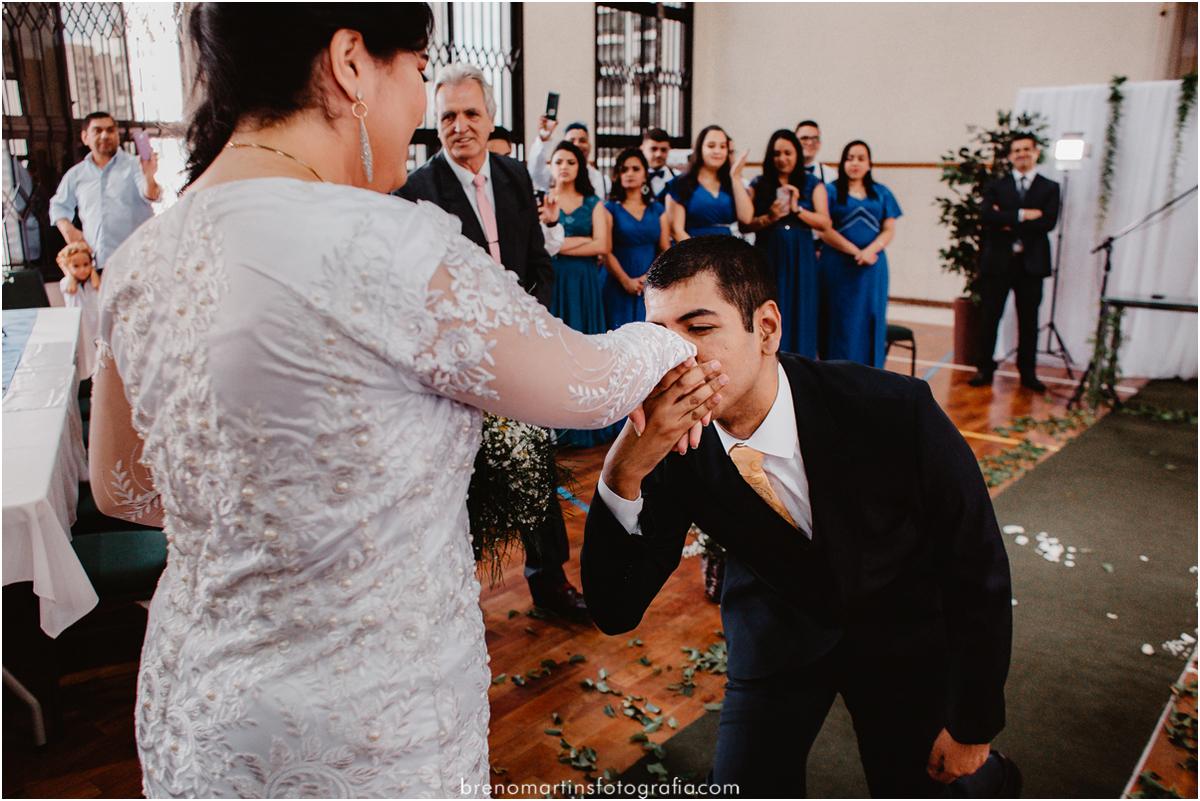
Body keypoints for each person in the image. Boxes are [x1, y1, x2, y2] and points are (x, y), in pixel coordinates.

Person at [89, 6, 704, 796]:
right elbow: (587, 385)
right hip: (364, 719)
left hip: (199, 702)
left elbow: (124, 487)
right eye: (418, 71)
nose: (420, 105)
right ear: (350, 61)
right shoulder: (383, 243)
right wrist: (675, 341)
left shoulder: (136, 263)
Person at [581, 235, 1018, 799]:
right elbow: (615, 610)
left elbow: (976, 567)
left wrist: (973, 725)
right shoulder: (673, 447)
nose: (677, 359)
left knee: (932, 784)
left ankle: (995, 777)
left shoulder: (894, 411)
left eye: (699, 328)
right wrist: (621, 474)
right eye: (662, 337)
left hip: (901, 636)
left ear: (766, 328)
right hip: (778, 631)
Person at [397, 64, 591, 621]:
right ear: (436, 125)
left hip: (521, 354)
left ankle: (549, 585)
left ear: (491, 118)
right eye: (448, 117)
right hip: (456, 367)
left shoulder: (512, 177)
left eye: (470, 114)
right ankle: (448, 602)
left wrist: (529, 322)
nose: (460, 126)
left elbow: (537, 261)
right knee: (454, 483)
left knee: (532, 467)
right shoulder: (417, 191)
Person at [968, 133, 1061, 392]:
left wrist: (1007, 220)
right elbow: (987, 216)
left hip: (1031, 264)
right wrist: (1023, 214)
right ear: (1010, 156)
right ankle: (985, 367)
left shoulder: (1049, 187)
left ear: (1035, 153)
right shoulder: (997, 186)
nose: (1021, 153)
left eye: (1026, 149)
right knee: (990, 317)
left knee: (1029, 321)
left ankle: (1028, 372)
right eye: (1016, 150)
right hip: (998, 262)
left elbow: (1048, 221)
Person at [547, 140, 615, 447]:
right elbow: (539, 245)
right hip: (554, 280)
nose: (564, 167)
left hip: (585, 283)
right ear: (550, 165)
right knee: (555, 349)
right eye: (558, 161)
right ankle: (556, 423)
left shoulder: (593, 203)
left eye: (570, 162)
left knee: (584, 348)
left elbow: (602, 245)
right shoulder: (543, 201)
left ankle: (586, 422)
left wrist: (558, 243)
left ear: (580, 166)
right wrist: (580, 241)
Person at [741, 129, 830, 359]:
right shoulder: (759, 184)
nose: (782, 158)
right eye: (776, 153)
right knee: (770, 306)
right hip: (769, 251)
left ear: (797, 154)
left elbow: (825, 223)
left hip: (801, 254)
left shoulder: (812, 183)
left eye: (788, 153)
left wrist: (798, 208)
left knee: (802, 309)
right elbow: (745, 224)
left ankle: (801, 366)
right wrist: (768, 217)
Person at [817, 140, 901, 368]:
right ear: (842, 162)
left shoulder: (882, 193)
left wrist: (870, 251)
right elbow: (823, 229)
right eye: (850, 158)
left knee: (871, 320)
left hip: (872, 268)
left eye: (861, 158)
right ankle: (834, 375)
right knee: (837, 321)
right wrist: (855, 252)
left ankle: (870, 377)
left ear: (869, 164)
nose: (855, 163)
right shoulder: (828, 191)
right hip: (837, 266)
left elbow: (889, 229)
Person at [49, 110, 162, 273]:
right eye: (97, 131)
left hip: (138, 261)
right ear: (85, 137)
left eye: (110, 130)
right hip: (98, 266)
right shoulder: (76, 175)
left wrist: (149, 176)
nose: (104, 136)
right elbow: (58, 206)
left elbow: (151, 195)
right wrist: (70, 232)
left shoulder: (135, 165)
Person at [603, 147, 669, 328]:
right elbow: (605, 251)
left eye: (635, 169)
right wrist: (625, 281)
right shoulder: (609, 208)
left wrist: (649, 277)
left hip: (651, 282)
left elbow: (665, 249)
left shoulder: (657, 209)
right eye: (624, 170)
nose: (629, 173)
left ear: (645, 174)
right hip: (617, 281)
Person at [665, 125, 752, 242]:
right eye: (711, 146)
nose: (717, 151)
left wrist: (735, 176)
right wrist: (701, 257)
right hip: (692, 250)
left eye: (722, 147)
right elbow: (676, 230)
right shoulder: (681, 183)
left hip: (726, 249)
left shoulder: (732, 183)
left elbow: (746, 218)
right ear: (700, 148)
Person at [56, 241, 101, 375]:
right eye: (76, 266)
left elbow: (98, 285)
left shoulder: (93, 281)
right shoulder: (66, 283)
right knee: (85, 357)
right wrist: (68, 273)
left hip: (96, 325)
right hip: (80, 325)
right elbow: (72, 288)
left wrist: (92, 270)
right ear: (67, 267)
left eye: (86, 265)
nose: (82, 269)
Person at [529, 118, 605, 196]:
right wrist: (543, 139)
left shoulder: (601, 180)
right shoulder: (553, 174)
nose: (577, 145)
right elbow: (535, 172)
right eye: (571, 141)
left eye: (582, 141)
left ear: (590, 146)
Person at [640, 128, 678, 202]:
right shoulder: (634, 179)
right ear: (642, 149)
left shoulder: (678, 179)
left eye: (663, 150)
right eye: (653, 149)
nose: (659, 154)